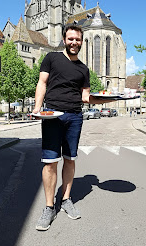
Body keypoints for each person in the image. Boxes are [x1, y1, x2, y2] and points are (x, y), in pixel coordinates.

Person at [33, 25, 115, 231]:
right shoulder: (51, 58)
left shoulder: (83, 69)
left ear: (81, 41)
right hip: (52, 114)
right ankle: (49, 207)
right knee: (50, 162)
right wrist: (36, 108)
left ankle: (66, 199)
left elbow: (86, 97)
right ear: (64, 39)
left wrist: (107, 99)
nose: (74, 43)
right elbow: (42, 83)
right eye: (70, 39)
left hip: (75, 117)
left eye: (77, 39)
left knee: (70, 159)